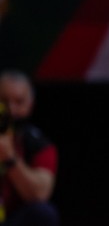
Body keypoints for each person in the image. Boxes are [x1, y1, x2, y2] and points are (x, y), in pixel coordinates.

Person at [0, 71, 58, 226]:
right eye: (4, 100)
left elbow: (40, 194)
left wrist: (9, 157)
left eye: (19, 102)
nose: (11, 110)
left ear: (30, 105)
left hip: (11, 219)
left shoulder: (38, 144)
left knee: (43, 213)